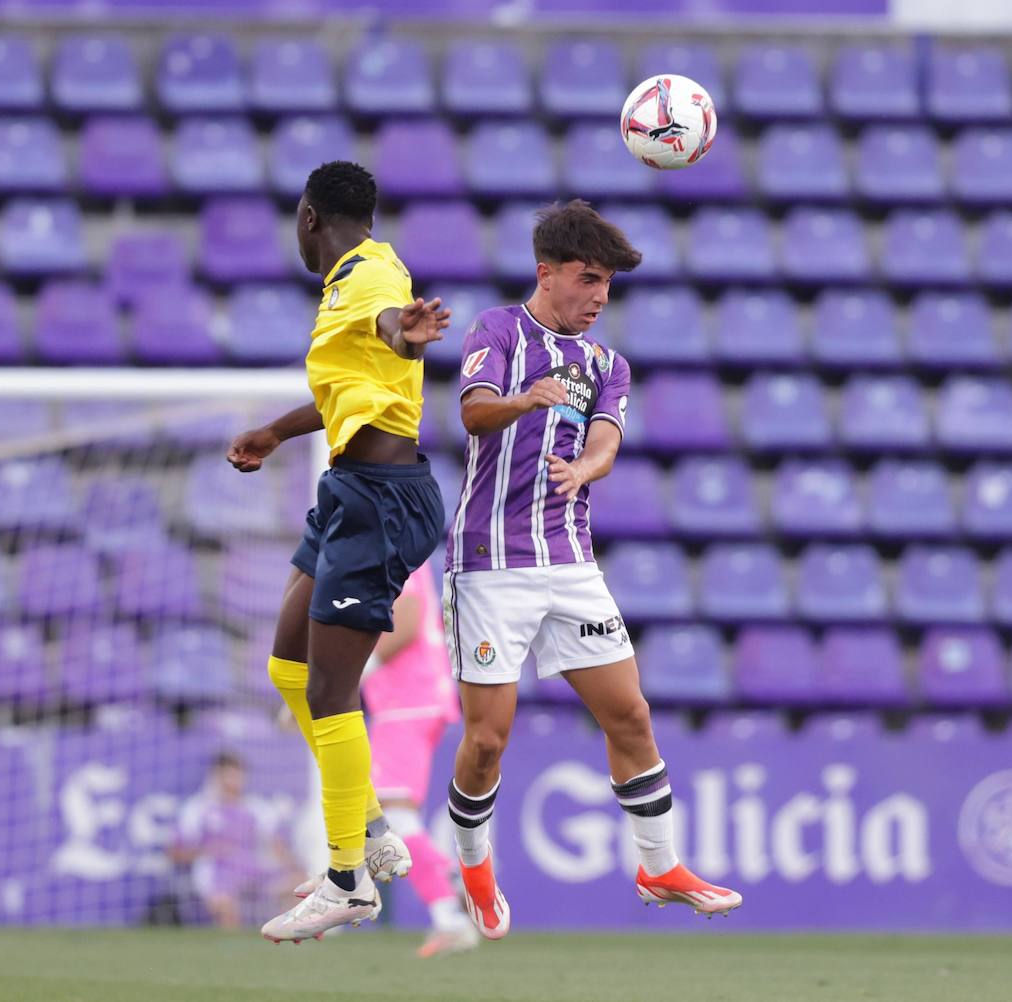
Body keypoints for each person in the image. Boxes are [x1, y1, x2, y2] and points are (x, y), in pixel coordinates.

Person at [441, 200, 743, 940]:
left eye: (608, 284)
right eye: (589, 279)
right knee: (487, 740)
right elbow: (473, 415)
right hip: (490, 564)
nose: (601, 297)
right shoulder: (498, 331)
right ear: (548, 274)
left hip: (571, 562)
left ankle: (659, 866)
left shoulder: (608, 364)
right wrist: (523, 401)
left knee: (631, 715)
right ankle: (476, 875)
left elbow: (608, 437)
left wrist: (585, 470)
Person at [226, 161, 448, 943]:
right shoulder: (353, 278)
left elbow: (390, 321)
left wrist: (404, 331)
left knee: (330, 690)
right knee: (288, 667)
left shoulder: (370, 279)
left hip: (382, 503)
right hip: (353, 492)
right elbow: (344, 386)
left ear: (309, 216)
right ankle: (371, 823)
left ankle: (348, 878)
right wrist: (276, 432)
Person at [361, 565, 477, 957]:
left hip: (406, 703)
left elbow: (407, 623)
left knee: (392, 817)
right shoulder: (400, 548)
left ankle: (449, 914)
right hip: (413, 701)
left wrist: (355, 673)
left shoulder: (397, 552)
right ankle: (449, 884)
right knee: (385, 815)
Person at [169, 753, 296, 930]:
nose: (237, 780)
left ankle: (288, 943)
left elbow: (278, 847)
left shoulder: (257, 808)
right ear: (217, 776)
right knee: (225, 904)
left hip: (254, 870)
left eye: (240, 774)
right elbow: (174, 852)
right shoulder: (198, 808)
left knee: (297, 887)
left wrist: (293, 869)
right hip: (217, 872)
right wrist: (206, 850)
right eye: (231, 774)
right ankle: (235, 949)